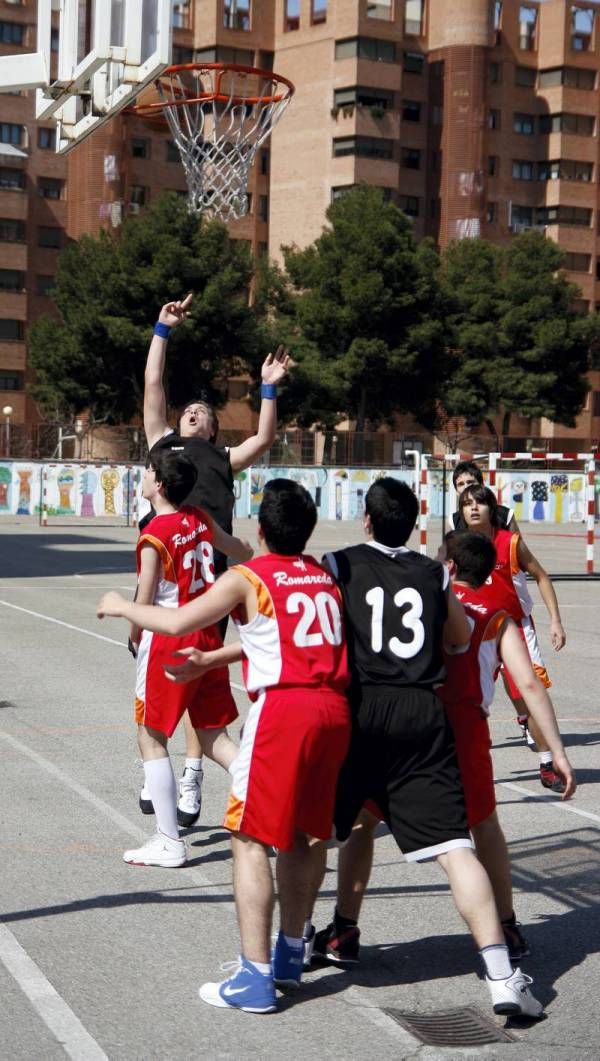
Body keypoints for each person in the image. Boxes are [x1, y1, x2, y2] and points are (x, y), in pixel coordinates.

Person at [98, 479, 351, 1014]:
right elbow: (280, 636)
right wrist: (213, 661)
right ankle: (289, 951)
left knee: (249, 839)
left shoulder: (249, 576)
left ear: (260, 530)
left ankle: (255, 979)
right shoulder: (323, 578)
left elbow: (175, 620)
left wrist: (122, 606)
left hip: (284, 713)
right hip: (334, 711)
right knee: (306, 836)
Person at [305, 477, 543, 1018]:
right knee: (455, 848)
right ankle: (502, 973)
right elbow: (457, 637)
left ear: (366, 521)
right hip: (420, 712)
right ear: (414, 526)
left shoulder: (338, 564)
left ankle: (299, 946)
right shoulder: (434, 572)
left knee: (319, 832)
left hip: (362, 710)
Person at [140, 293, 291, 826]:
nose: (193, 411)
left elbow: (266, 435)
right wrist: (163, 331)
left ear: (211, 430)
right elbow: (154, 387)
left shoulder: (223, 459)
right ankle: (185, 772)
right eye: (188, 409)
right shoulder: (161, 443)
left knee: (177, 683)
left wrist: (268, 387)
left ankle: (180, 775)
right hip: (165, 572)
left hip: (205, 583)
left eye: (201, 412)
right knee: (183, 687)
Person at [122, 449, 252, 869]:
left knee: (151, 735)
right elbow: (239, 550)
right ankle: (265, 797)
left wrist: (134, 632)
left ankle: (168, 839)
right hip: (208, 636)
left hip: (169, 639)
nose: (143, 476)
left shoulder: (154, 534)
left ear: (158, 484)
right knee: (215, 736)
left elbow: (144, 597)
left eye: (148, 471)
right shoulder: (198, 519)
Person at [459, 483, 567, 792]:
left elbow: (542, 576)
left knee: (531, 694)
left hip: (515, 627)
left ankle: (547, 764)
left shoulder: (510, 543)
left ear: (491, 509)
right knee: (469, 699)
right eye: (467, 504)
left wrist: (555, 621)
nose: (474, 508)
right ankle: (461, 764)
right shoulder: (458, 547)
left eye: (479, 502)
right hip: (479, 629)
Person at [451, 460, 517, 532]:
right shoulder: (454, 520)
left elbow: (516, 542)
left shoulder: (505, 515)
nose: (466, 487)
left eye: (470, 482)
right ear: (456, 491)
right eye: (461, 484)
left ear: (482, 485)